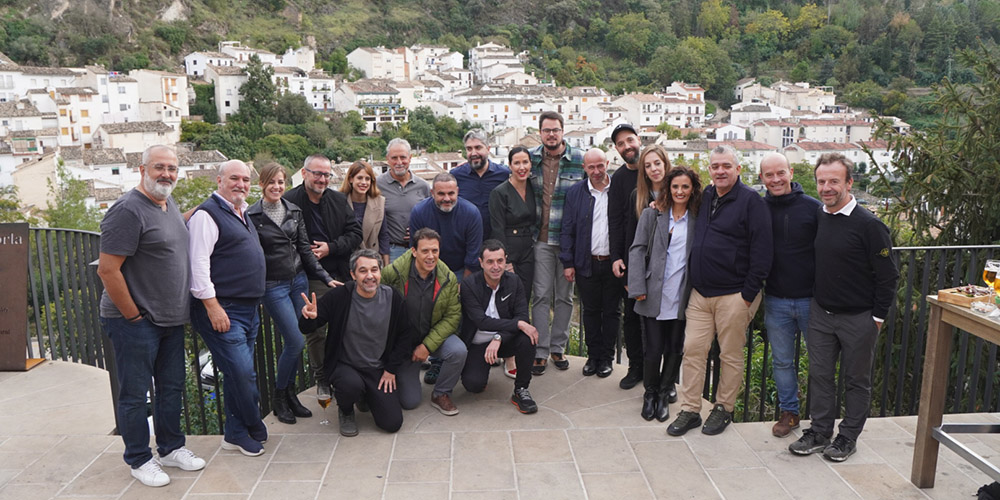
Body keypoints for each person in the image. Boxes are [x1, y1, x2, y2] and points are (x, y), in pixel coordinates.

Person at [97, 145, 206, 487]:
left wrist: (213, 207)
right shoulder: (128, 210)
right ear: (141, 169)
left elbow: (173, 235)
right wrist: (133, 317)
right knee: (135, 393)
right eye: (159, 167)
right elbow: (108, 270)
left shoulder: (166, 202)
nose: (167, 174)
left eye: (172, 168)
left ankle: (171, 447)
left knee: (171, 388)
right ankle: (139, 459)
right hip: (136, 321)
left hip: (170, 318)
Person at [789, 153, 898, 462]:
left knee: (856, 381)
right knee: (820, 376)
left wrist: (876, 318)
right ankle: (820, 433)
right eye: (822, 181)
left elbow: (889, 274)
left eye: (834, 181)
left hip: (859, 318)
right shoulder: (820, 216)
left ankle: (848, 437)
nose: (826, 187)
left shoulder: (870, 225)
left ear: (849, 183)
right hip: (821, 314)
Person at [667, 145, 772, 437]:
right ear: (709, 171)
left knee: (729, 355)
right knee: (693, 351)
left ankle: (724, 408)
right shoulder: (707, 196)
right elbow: (676, 202)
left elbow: (763, 252)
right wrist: (657, 205)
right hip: (700, 294)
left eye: (726, 165)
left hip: (734, 295)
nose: (720, 171)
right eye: (715, 166)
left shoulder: (752, 201)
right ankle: (690, 409)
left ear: (738, 169)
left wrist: (747, 295)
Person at [188, 160, 269, 456]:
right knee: (243, 372)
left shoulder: (241, 211)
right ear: (219, 180)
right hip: (224, 309)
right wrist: (212, 305)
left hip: (247, 308)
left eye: (246, 180)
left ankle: (235, 434)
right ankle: (253, 423)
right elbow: (197, 263)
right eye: (234, 178)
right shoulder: (207, 215)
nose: (241, 184)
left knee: (239, 374)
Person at [248, 162, 339, 425]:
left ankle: (289, 395)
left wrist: (325, 278)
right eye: (272, 182)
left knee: (301, 334)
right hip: (272, 286)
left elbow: (304, 250)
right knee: (296, 341)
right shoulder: (252, 216)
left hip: (298, 281)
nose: (277, 187)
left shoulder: (294, 211)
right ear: (262, 184)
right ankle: (279, 396)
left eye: (281, 182)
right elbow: (252, 257)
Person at [299, 249, 415, 437]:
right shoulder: (340, 296)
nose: (370, 276)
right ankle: (345, 409)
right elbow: (307, 327)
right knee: (350, 386)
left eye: (374, 270)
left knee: (392, 423)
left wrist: (391, 369)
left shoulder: (392, 297)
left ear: (380, 272)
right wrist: (308, 317)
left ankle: (364, 395)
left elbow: (405, 335)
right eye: (363, 271)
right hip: (346, 366)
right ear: (353, 274)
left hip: (377, 368)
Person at [284, 154, 362, 398]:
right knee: (315, 331)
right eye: (317, 173)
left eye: (326, 174)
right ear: (304, 173)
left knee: (350, 326)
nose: (322, 179)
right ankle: (323, 379)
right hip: (307, 276)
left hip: (339, 272)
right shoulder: (289, 201)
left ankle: (349, 375)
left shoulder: (338, 200)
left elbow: (355, 233)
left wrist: (331, 247)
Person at [628, 166, 701, 423]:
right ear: (669, 188)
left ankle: (663, 393)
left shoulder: (697, 217)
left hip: (682, 295)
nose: (680, 191)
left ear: (692, 190)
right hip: (653, 293)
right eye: (675, 186)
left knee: (674, 348)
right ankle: (649, 393)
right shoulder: (653, 214)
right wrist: (637, 288)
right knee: (653, 348)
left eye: (685, 187)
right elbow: (636, 249)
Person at [758, 152, 821, 438]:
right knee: (782, 361)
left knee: (821, 360)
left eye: (780, 173)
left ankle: (822, 417)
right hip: (775, 299)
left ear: (791, 172)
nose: (775, 179)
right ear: (761, 178)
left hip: (812, 300)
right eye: (769, 175)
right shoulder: (758, 209)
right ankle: (790, 412)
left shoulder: (814, 209)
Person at [381, 228, 466, 415]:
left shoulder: (448, 278)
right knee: (410, 402)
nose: (430, 256)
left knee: (458, 351)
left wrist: (427, 346)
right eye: (425, 251)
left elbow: (452, 317)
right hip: (403, 344)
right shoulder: (392, 274)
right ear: (413, 251)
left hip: (431, 337)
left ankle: (441, 393)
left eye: (434, 251)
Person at [529, 110, 585, 375]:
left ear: (563, 131)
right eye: (546, 130)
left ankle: (557, 348)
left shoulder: (579, 160)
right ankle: (540, 350)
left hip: (568, 242)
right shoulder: (530, 159)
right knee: (540, 295)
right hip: (539, 239)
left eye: (556, 130)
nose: (551, 134)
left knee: (564, 297)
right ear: (540, 132)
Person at [560, 148, 620, 378]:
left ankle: (607, 358)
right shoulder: (575, 193)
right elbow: (567, 229)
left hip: (613, 263)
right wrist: (568, 262)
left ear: (607, 163)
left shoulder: (618, 190)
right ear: (584, 168)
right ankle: (593, 356)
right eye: (591, 167)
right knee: (591, 312)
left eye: (600, 166)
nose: (596, 171)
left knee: (612, 312)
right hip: (587, 262)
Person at [460, 240, 540, 414]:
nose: (496, 266)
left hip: (505, 339)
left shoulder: (514, 281)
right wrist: (517, 324)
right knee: (473, 385)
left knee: (528, 336)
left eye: (500, 261)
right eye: (490, 262)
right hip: (478, 342)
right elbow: (481, 321)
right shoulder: (469, 285)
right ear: (481, 262)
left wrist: (499, 337)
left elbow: (522, 317)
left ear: (506, 260)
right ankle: (483, 367)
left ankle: (521, 390)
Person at [608, 123, 645, 390]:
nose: (626, 147)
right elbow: (616, 221)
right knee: (631, 318)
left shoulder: (655, 169)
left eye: (629, 140)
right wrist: (616, 257)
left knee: (659, 320)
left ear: (638, 139)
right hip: (631, 260)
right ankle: (635, 368)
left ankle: (658, 373)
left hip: (660, 260)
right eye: (620, 144)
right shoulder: (619, 179)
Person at [408, 172, 483, 276]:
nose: (447, 199)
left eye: (451, 193)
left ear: (457, 191)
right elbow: (416, 250)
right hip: (429, 270)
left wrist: (464, 285)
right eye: (441, 194)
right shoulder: (419, 212)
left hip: (461, 270)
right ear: (432, 193)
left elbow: (473, 254)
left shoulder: (471, 213)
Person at [489, 145, 537, 292]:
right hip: (510, 251)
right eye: (516, 163)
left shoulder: (533, 187)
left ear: (531, 164)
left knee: (525, 295)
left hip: (528, 251)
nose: (521, 167)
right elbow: (497, 229)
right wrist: (506, 261)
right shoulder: (499, 193)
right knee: (509, 296)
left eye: (525, 162)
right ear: (510, 166)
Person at [377, 138, 430, 261]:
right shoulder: (377, 185)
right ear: (387, 159)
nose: (399, 162)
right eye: (394, 158)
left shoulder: (423, 186)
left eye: (403, 157)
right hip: (392, 251)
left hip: (420, 250)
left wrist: (419, 231)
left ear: (410, 158)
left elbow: (431, 215)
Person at [452, 128, 510, 240]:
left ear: (488, 149)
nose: (473, 153)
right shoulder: (455, 176)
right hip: (465, 241)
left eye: (478, 147)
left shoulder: (504, 175)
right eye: (469, 149)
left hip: (496, 242)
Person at [339, 160, 390, 265]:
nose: (364, 182)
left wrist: (386, 263)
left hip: (371, 259)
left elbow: (383, 235)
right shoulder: (339, 201)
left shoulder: (379, 202)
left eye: (367, 179)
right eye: (359, 178)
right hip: (346, 260)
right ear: (351, 179)